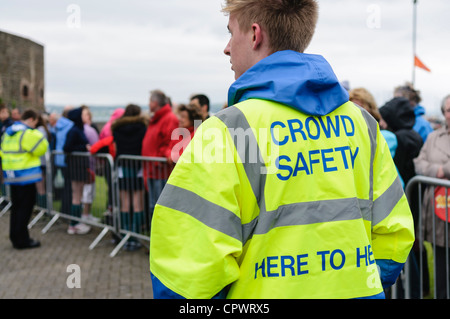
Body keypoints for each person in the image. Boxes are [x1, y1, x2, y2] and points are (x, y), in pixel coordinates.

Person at [149, 0, 415, 299]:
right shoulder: (362, 123)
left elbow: (187, 274)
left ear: (254, 34)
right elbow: (394, 234)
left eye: (230, 32)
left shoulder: (226, 131)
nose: (226, 48)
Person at [414, 94, 450, 299]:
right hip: (439, 212)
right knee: (440, 261)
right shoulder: (433, 137)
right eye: (448, 110)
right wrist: (437, 172)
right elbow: (419, 163)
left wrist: (443, 169)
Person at [0, 109, 48, 249]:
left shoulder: (9, 132)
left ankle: (15, 237)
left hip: (12, 174)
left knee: (16, 207)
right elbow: (42, 148)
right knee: (25, 208)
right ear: (32, 119)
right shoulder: (27, 133)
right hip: (26, 175)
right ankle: (22, 240)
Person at [349, 88, 404, 187]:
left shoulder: (383, 135)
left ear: (370, 108)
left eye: (360, 107)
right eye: (352, 107)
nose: (356, 111)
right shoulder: (348, 133)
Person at [112, 104, 148, 251]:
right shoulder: (142, 128)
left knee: (125, 203)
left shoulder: (116, 128)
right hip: (138, 166)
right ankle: (134, 236)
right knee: (138, 203)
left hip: (122, 166)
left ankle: (125, 235)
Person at [141, 89, 179, 219]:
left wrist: (159, 159)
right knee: (154, 206)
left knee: (160, 208)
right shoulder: (158, 118)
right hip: (153, 169)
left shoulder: (168, 118)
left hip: (160, 170)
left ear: (155, 102)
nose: (148, 104)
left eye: (150, 101)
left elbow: (170, 142)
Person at [378, 97, 423, 188]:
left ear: (392, 118)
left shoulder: (398, 138)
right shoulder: (413, 134)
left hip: (405, 190)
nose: (380, 123)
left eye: (383, 119)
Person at [63, 107, 92, 235]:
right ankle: (74, 223)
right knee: (77, 196)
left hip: (77, 165)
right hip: (76, 165)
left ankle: (75, 223)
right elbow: (67, 147)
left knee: (77, 195)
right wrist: (84, 147)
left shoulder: (76, 130)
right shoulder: (74, 130)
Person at [49, 108, 74, 216]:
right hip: (66, 158)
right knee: (68, 186)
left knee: (63, 186)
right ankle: (66, 210)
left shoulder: (58, 127)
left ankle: (64, 209)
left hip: (58, 158)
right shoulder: (70, 125)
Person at [80, 106, 99, 223]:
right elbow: (96, 145)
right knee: (88, 191)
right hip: (89, 165)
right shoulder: (89, 130)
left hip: (81, 165)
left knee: (83, 191)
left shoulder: (78, 129)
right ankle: (86, 215)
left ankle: (85, 214)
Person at [35, 113, 51, 209]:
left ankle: (43, 208)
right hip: (42, 162)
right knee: (41, 186)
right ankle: (42, 207)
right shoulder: (43, 129)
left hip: (40, 162)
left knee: (41, 187)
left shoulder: (39, 131)